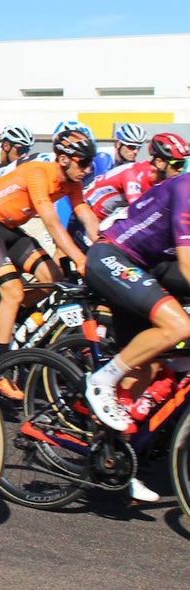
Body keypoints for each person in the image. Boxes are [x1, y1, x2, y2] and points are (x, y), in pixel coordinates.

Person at [81, 161, 190, 501]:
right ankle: (100, 381)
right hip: (112, 256)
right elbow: (187, 266)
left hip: (146, 268)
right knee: (179, 326)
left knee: (151, 365)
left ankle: (114, 456)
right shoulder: (186, 188)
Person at [0, 130, 99, 399]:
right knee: (13, 291)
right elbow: (51, 221)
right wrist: (81, 258)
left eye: (90, 164)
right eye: (82, 163)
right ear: (63, 159)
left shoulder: (72, 182)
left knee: (54, 277)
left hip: (10, 229)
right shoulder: (39, 173)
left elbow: (83, 211)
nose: (87, 169)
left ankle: (8, 315)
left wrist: (101, 244)